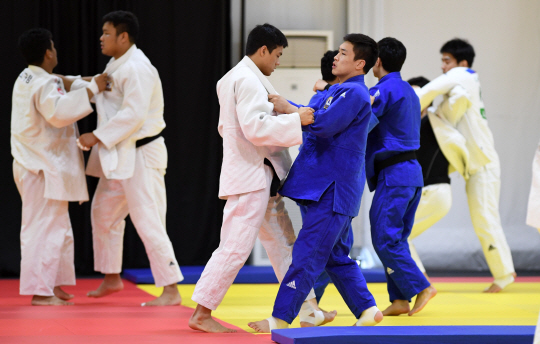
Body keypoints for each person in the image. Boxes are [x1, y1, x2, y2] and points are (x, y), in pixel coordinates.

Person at [188, 23, 322, 334]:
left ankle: (308, 308)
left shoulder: (240, 77)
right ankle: (201, 312)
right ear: (262, 50)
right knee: (235, 246)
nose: (278, 61)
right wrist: (295, 120)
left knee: (283, 243)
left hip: (260, 174)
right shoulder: (246, 80)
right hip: (251, 175)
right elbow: (255, 127)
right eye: (276, 54)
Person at [248, 33, 383, 333]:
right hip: (320, 185)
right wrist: (291, 108)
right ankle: (368, 309)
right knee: (334, 256)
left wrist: (290, 110)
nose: (336, 56)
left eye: (344, 53)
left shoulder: (356, 95)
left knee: (307, 253)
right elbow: (312, 115)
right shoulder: (339, 91)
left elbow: (320, 124)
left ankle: (280, 317)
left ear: (360, 63)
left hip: (332, 190)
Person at [75, 11, 184, 306]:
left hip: (143, 154)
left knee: (148, 219)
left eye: (106, 33)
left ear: (123, 37)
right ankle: (112, 277)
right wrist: (69, 82)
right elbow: (105, 91)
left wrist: (95, 136)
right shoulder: (117, 64)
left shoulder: (138, 67)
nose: (101, 38)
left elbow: (133, 115)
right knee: (103, 213)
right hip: (121, 155)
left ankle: (171, 289)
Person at [11, 28, 107, 306]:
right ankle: (42, 292)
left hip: (36, 164)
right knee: (44, 228)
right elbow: (58, 113)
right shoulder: (44, 84)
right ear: (48, 53)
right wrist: (92, 88)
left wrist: (89, 82)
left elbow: (62, 82)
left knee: (59, 227)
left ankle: (54, 284)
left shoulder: (28, 76)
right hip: (40, 167)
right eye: (53, 47)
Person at [416, 38, 516, 293]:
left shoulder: (465, 75)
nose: (443, 67)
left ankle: (504, 275)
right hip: (478, 165)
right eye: (442, 61)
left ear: (462, 63)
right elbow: (447, 106)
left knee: (485, 218)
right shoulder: (461, 91)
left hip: (483, 164)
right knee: (484, 217)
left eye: (447, 61)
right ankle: (505, 273)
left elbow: (428, 92)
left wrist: (405, 105)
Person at [367, 38, 437, 317]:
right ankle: (399, 299)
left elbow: (362, 121)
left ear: (378, 61)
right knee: (396, 238)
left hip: (395, 175)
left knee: (384, 237)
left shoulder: (383, 90)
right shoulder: (408, 90)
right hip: (410, 173)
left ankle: (421, 286)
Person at [406, 76, 452, 281]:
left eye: (418, 95)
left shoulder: (434, 122)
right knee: (398, 237)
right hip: (430, 192)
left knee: (397, 236)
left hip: (435, 191)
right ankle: (418, 286)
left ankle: (423, 285)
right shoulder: (411, 126)